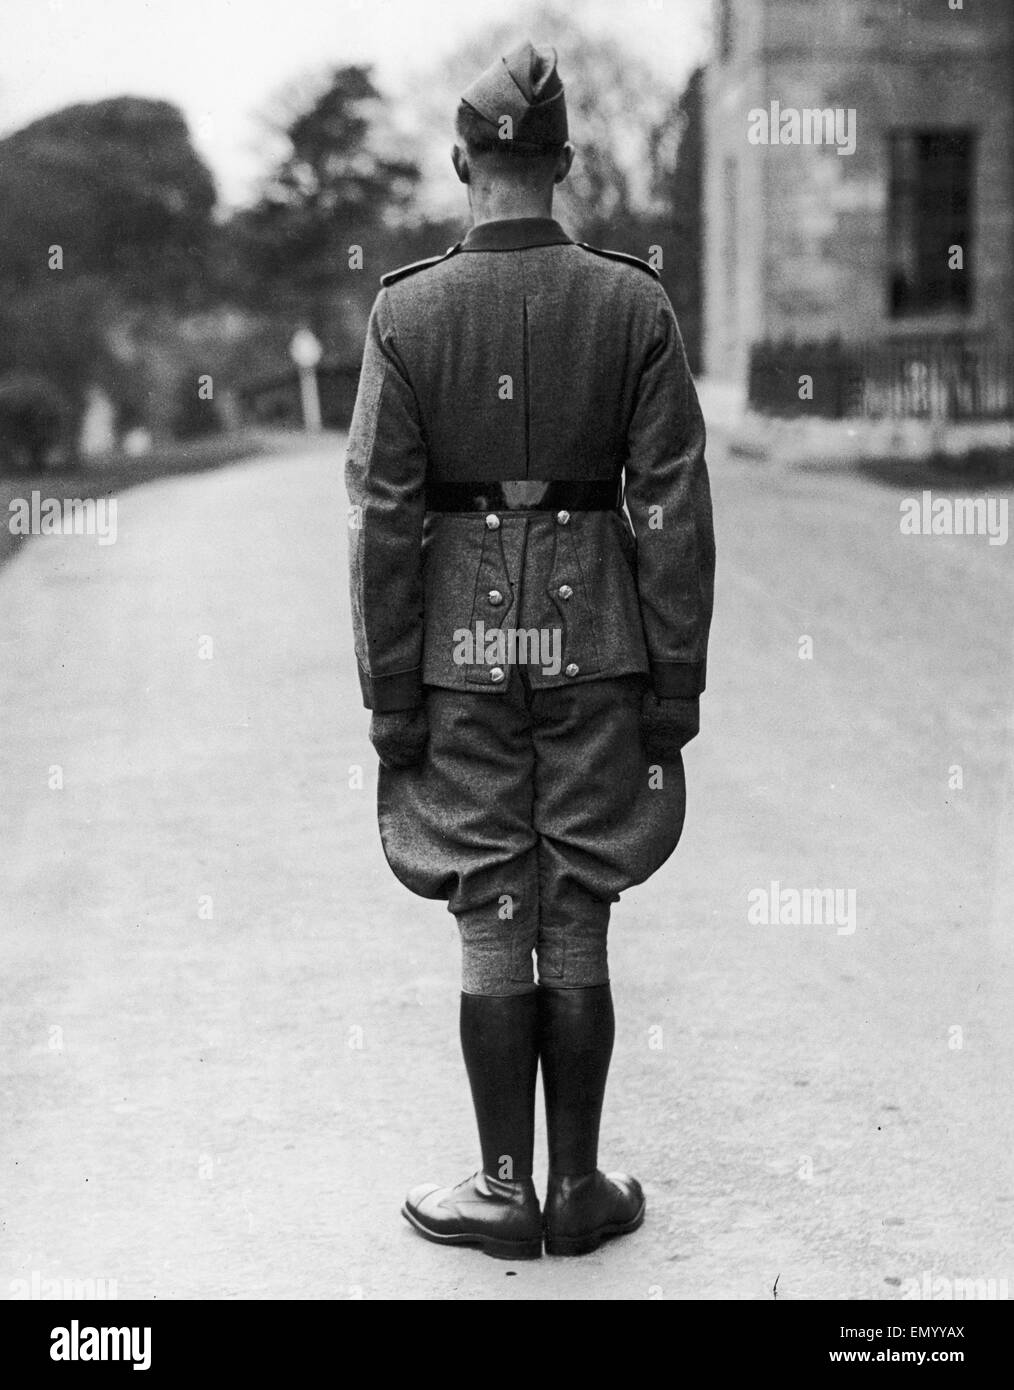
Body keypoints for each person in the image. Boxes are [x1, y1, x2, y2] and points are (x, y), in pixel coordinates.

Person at [346, 39, 715, 1260]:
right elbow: (669, 507)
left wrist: (390, 694)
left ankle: (502, 1187)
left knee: (494, 899)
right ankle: (581, 1186)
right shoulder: (632, 303)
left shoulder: (407, 310)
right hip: (596, 644)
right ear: (561, 165)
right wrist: (677, 679)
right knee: (581, 898)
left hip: (457, 655)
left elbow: (385, 524)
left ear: (463, 161)